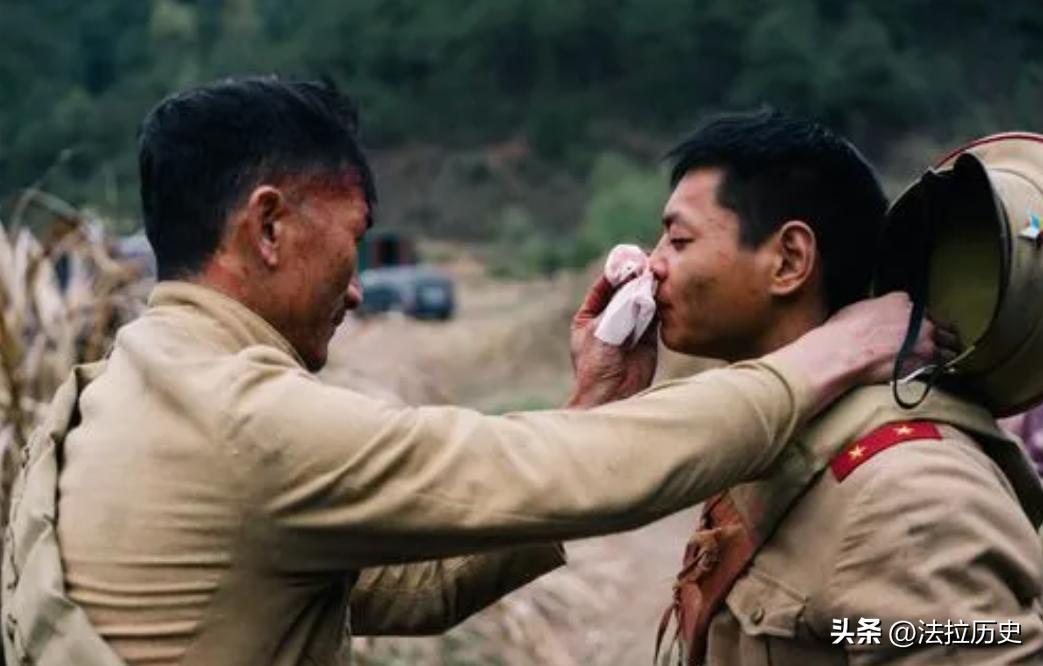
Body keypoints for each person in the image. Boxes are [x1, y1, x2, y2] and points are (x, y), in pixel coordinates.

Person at [1, 78, 935, 666]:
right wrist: (831, 353)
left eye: (678, 236)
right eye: (352, 242)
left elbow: (404, 590)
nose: (362, 288)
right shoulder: (239, 420)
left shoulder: (123, 386)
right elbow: (561, 473)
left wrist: (590, 403)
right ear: (270, 225)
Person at [649, 109, 1043, 665]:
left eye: (678, 240)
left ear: (789, 259)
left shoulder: (910, 495)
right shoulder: (786, 433)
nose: (651, 266)